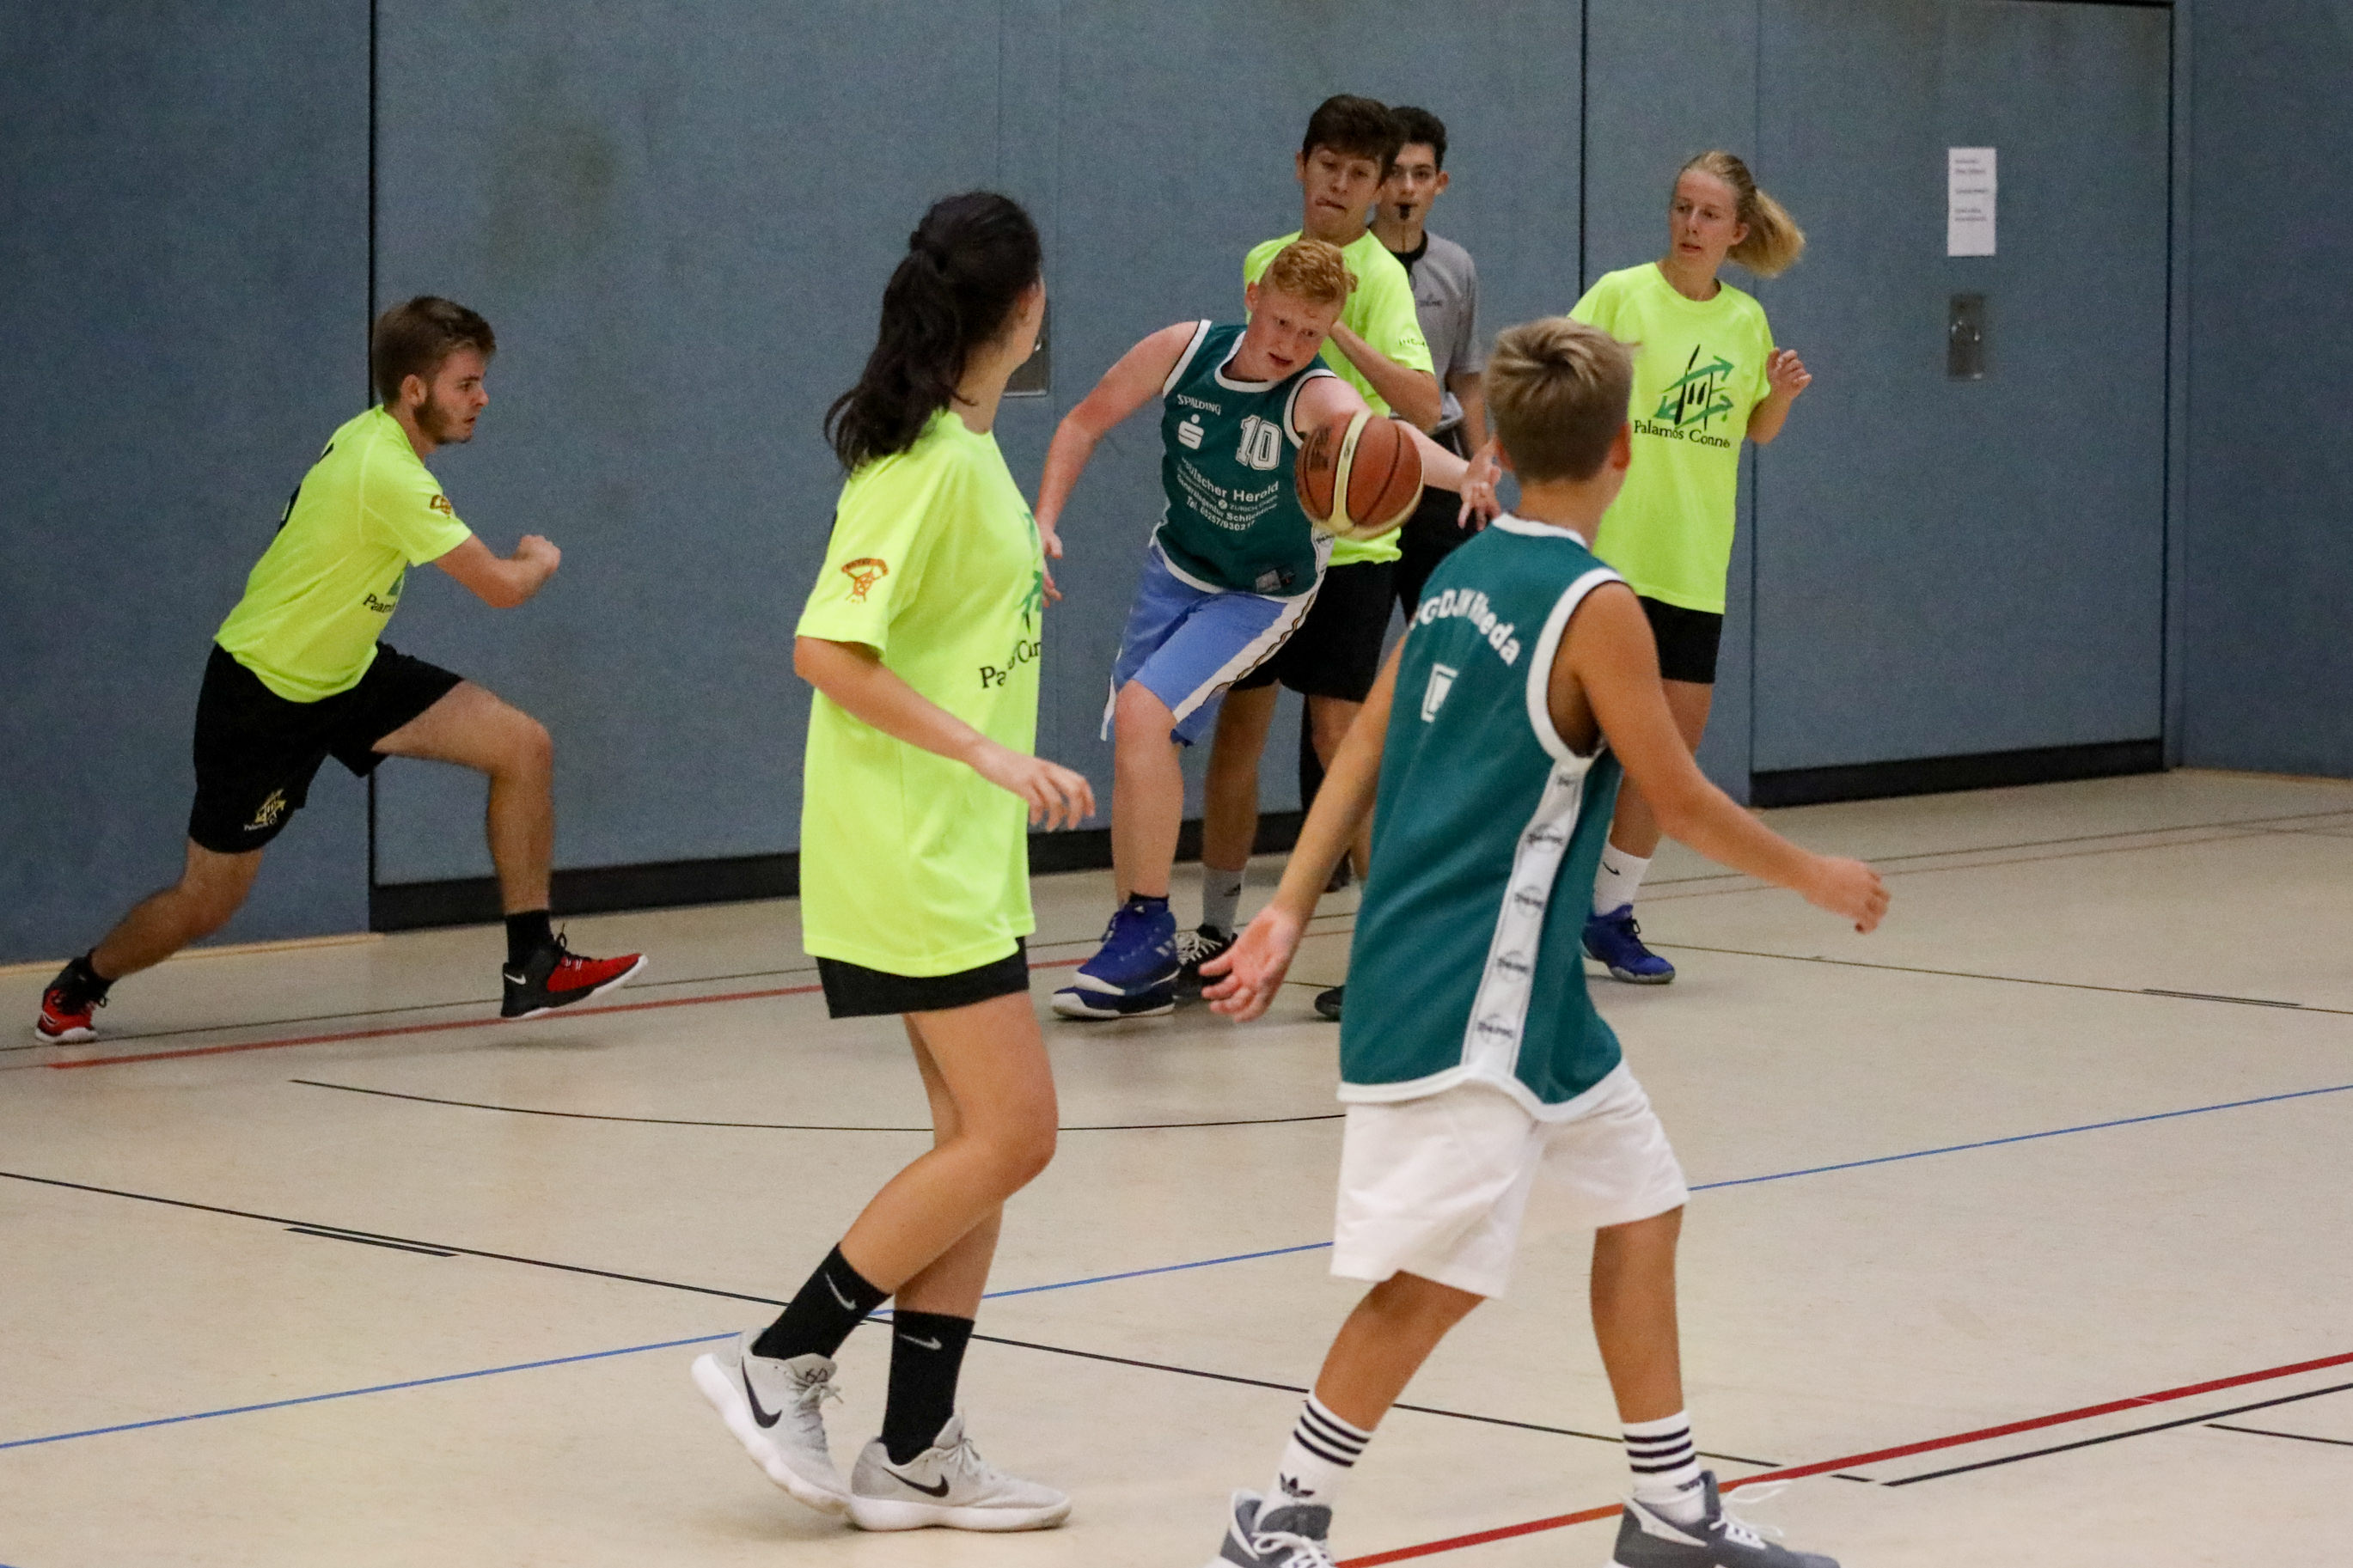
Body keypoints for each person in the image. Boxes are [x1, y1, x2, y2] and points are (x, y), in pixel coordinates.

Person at [1195, 316, 1885, 1568]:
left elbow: (1361, 740)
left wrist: (1289, 905)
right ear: (1622, 451)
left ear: (1498, 451)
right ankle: (1277, 1515)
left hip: (1528, 1002)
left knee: (1643, 1202)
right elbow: (1675, 800)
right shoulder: (1595, 606)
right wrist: (1814, 875)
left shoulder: (1459, 573)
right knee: (1438, 1278)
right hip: (1468, 994)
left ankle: (1668, 1507)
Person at [690, 192, 1091, 1534]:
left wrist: (1013, 568)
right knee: (1018, 1134)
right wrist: (985, 751)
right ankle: (780, 1356)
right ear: (1026, 310)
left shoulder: (966, 454)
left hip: (955, 848)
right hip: (912, 844)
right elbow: (825, 647)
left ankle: (915, 1446)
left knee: (976, 1145)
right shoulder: (924, 465)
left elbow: (935, 602)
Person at [32, 296, 644, 1045]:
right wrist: (537, 558)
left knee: (522, 745)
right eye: (466, 384)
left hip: (349, 674)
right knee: (209, 900)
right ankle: (82, 982)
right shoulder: (384, 471)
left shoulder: (377, 436)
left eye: (481, 382)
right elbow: (501, 588)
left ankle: (532, 963)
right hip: (263, 692)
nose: (482, 398)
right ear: (414, 389)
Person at [1035, 240, 1486, 1021]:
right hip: (1176, 567)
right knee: (1141, 740)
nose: (1290, 344)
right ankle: (1137, 952)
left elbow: (1390, 442)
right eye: (1280, 322)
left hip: (1261, 592)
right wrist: (1043, 519)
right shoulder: (1184, 351)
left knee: (1145, 711)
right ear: (1252, 299)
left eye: (1311, 332)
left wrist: (1466, 471)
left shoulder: (1315, 396)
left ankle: (1147, 930)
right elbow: (1082, 421)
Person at [1195, 95, 1439, 994]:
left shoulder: (1380, 277)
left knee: (1340, 734)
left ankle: (1390, 949)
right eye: (1327, 165)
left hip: (1354, 545)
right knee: (1240, 727)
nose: (1339, 184)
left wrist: (1337, 329)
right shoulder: (1262, 262)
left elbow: (1422, 405)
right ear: (1302, 166)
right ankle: (1213, 929)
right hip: (1265, 534)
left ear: (1378, 189)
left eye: (1358, 173)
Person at [1574, 150, 1812, 985]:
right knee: (1574, 746)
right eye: (1681, 207)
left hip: (1692, 563)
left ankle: (1608, 912)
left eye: (1708, 214)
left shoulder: (1746, 321)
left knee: (1668, 753)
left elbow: (1755, 428)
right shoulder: (1620, 294)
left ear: (1736, 232)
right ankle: (1530, 908)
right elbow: (1557, 380)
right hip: (1610, 559)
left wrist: (1781, 395)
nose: (1689, 224)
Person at [1315, 104, 1490, 1022]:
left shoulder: (1447, 269)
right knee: (1336, 705)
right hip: (1344, 484)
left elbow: (1450, 388)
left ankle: (1440, 874)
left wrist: (1482, 467)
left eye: (1423, 173)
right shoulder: (1327, 262)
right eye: (1397, 173)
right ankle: (1336, 862)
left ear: (1436, 183)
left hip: (1425, 471)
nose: (1406, 187)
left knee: (1435, 674)